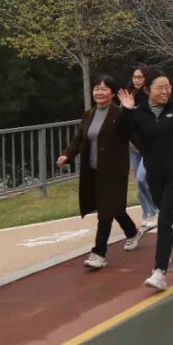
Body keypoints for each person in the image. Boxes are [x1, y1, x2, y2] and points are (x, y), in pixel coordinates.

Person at [118, 69, 173, 291]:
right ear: (147, 90)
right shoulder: (139, 113)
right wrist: (126, 110)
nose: (165, 91)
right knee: (172, 219)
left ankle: (159, 272)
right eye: (160, 87)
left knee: (165, 220)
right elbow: (122, 133)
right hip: (154, 176)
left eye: (167, 87)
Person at [57, 75, 141, 272]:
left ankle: (99, 253)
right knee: (113, 207)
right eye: (96, 88)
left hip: (114, 171)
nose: (99, 92)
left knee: (105, 212)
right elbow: (79, 139)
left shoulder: (119, 113)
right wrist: (66, 155)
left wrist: (128, 111)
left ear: (112, 93)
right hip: (94, 170)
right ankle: (132, 232)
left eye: (104, 89)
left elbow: (131, 133)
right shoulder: (89, 114)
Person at [126, 66, 157, 231]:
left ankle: (155, 210)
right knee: (139, 184)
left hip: (148, 146)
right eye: (134, 77)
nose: (136, 80)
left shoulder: (150, 96)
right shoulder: (129, 95)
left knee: (142, 178)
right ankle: (146, 212)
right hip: (133, 146)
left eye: (140, 77)